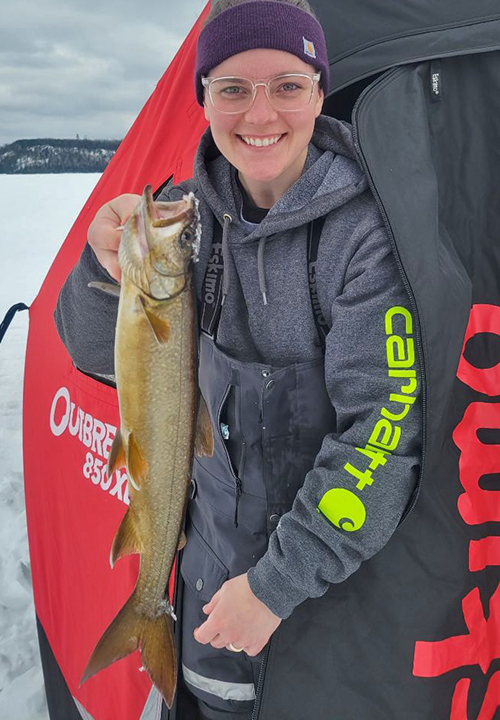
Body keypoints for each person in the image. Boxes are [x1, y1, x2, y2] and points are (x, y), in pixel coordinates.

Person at [54, 1, 422, 718]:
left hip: (320, 610)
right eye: (232, 88)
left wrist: (275, 587)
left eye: (287, 85)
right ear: (203, 99)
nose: (260, 114)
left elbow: (384, 433)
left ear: (320, 91)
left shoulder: (365, 238)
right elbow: (97, 355)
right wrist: (103, 273)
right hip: (202, 591)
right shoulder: (179, 219)